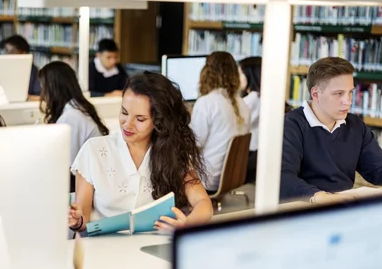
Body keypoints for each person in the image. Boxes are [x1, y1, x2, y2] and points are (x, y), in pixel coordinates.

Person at [68, 72, 213, 233]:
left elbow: (204, 203)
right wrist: (76, 220)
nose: (127, 125)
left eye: (140, 119)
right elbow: (82, 222)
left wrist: (186, 224)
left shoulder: (171, 153)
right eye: (124, 112)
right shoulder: (93, 150)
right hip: (104, 250)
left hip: (151, 248)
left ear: (158, 121)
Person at [281, 57, 382, 203]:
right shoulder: (290, 125)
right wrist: (320, 197)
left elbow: (381, 169)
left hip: (342, 207)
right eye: (338, 93)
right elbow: (283, 178)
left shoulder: (355, 125)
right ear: (315, 94)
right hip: (302, 208)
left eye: (350, 92)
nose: (348, 101)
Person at [191, 51, 251, 193]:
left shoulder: (206, 103)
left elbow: (194, 143)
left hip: (207, 180)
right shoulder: (243, 105)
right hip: (230, 178)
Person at [38, 61, 110, 165]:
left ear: (52, 89)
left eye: (43, 88)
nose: (42, 94)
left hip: (86, 177)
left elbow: (68, 165)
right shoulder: (75, 108)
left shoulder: (72, 116)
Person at [239, 56, 262, 183]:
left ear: (249, 75)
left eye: (240, 74)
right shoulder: (262, 97)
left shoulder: (250, 101)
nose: (238, 79)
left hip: (250, 156)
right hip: (258, 154)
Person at [4, 34, 41, 99]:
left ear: (24, 52)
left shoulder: (34, 71)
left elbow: (39, 96)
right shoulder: (3, 68)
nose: (8, 55)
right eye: (6, 50)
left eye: (12, 51)